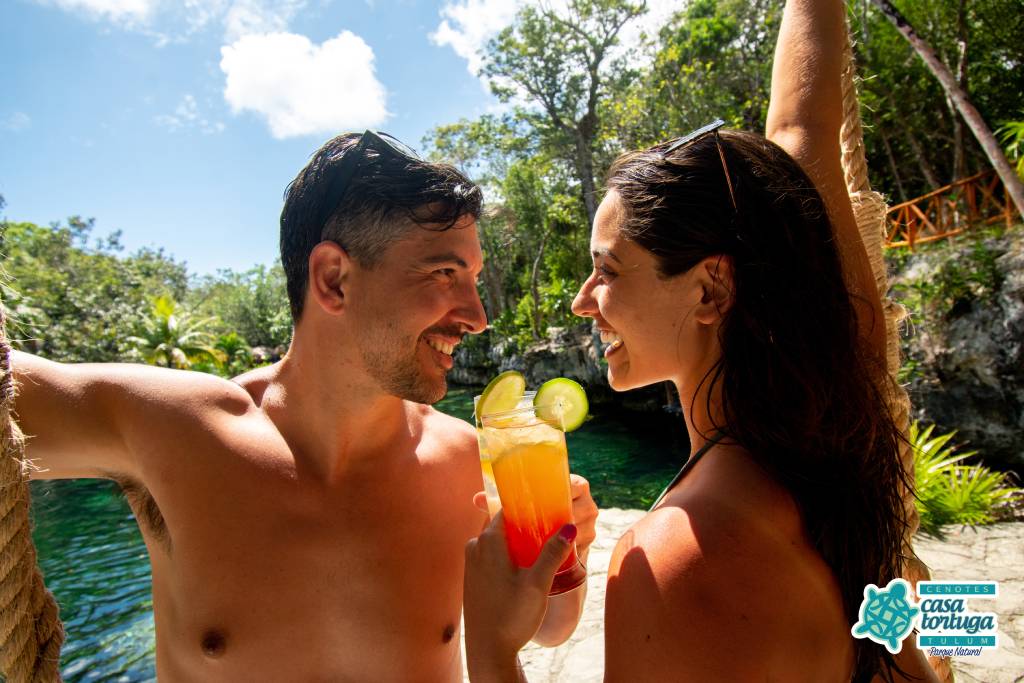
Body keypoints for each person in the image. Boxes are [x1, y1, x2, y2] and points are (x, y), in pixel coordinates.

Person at [462, 1, 941, 681]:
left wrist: (489, 645)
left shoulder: (676, 558)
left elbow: (802, 131)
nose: (581, 301)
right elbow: (801, 130)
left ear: (712, 290)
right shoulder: (838, 419)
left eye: (607, 270)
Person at [12, 131, 597, 681]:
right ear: (334, 279)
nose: (478, 316)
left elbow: (549, 627)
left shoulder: (468, 459)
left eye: (473, 278)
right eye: (445, 273)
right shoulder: (176, 432)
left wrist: (570, 551)